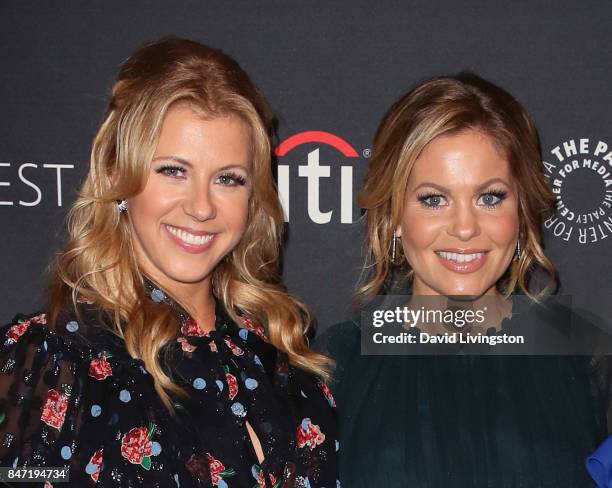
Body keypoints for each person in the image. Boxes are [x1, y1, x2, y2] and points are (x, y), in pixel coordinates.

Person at [0, 37, 338, 488]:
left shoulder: (283, 363)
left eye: (228, 179)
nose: (201, 206)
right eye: (173, 170)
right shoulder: (50, 362)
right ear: (118, 174)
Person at [317, 73, 608, 487]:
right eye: (434, 200)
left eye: (490, 197)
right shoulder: (336, 366)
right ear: (395, 216)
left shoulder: (587, 358)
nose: (465, 228)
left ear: (522, 211)